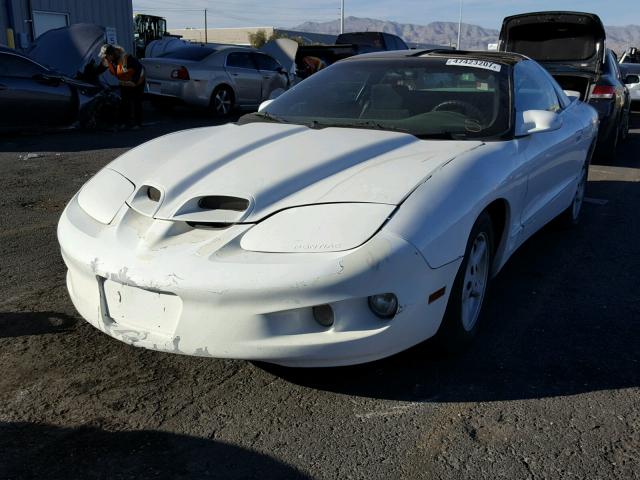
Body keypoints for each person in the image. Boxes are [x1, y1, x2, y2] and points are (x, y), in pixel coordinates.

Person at [98, 44, 145, 130]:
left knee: (136, 101)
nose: (105, 59)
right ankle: (124, 122)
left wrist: (134, 82)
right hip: (125, 83)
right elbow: (100, 69)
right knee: (124, 102)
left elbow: (139, 69)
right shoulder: (109, 60)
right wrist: (90, 73)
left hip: (137, 82)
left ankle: (137, 123)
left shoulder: (127, 58)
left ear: (111, 55)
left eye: (106, 56)